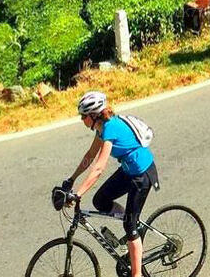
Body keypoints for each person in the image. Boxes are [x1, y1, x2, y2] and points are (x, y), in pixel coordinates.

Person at [62, 92, 157, 277]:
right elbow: (90, 156)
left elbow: (99, 167)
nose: (82, 120)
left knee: (130, 227)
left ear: (94, 115)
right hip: (129, 171)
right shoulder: (101, 128)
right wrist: (71, 179)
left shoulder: (110, 129)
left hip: (142, 174)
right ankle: (131, 222)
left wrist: (78, 193)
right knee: (101, 200)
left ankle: (136, 272)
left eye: (84, 116)